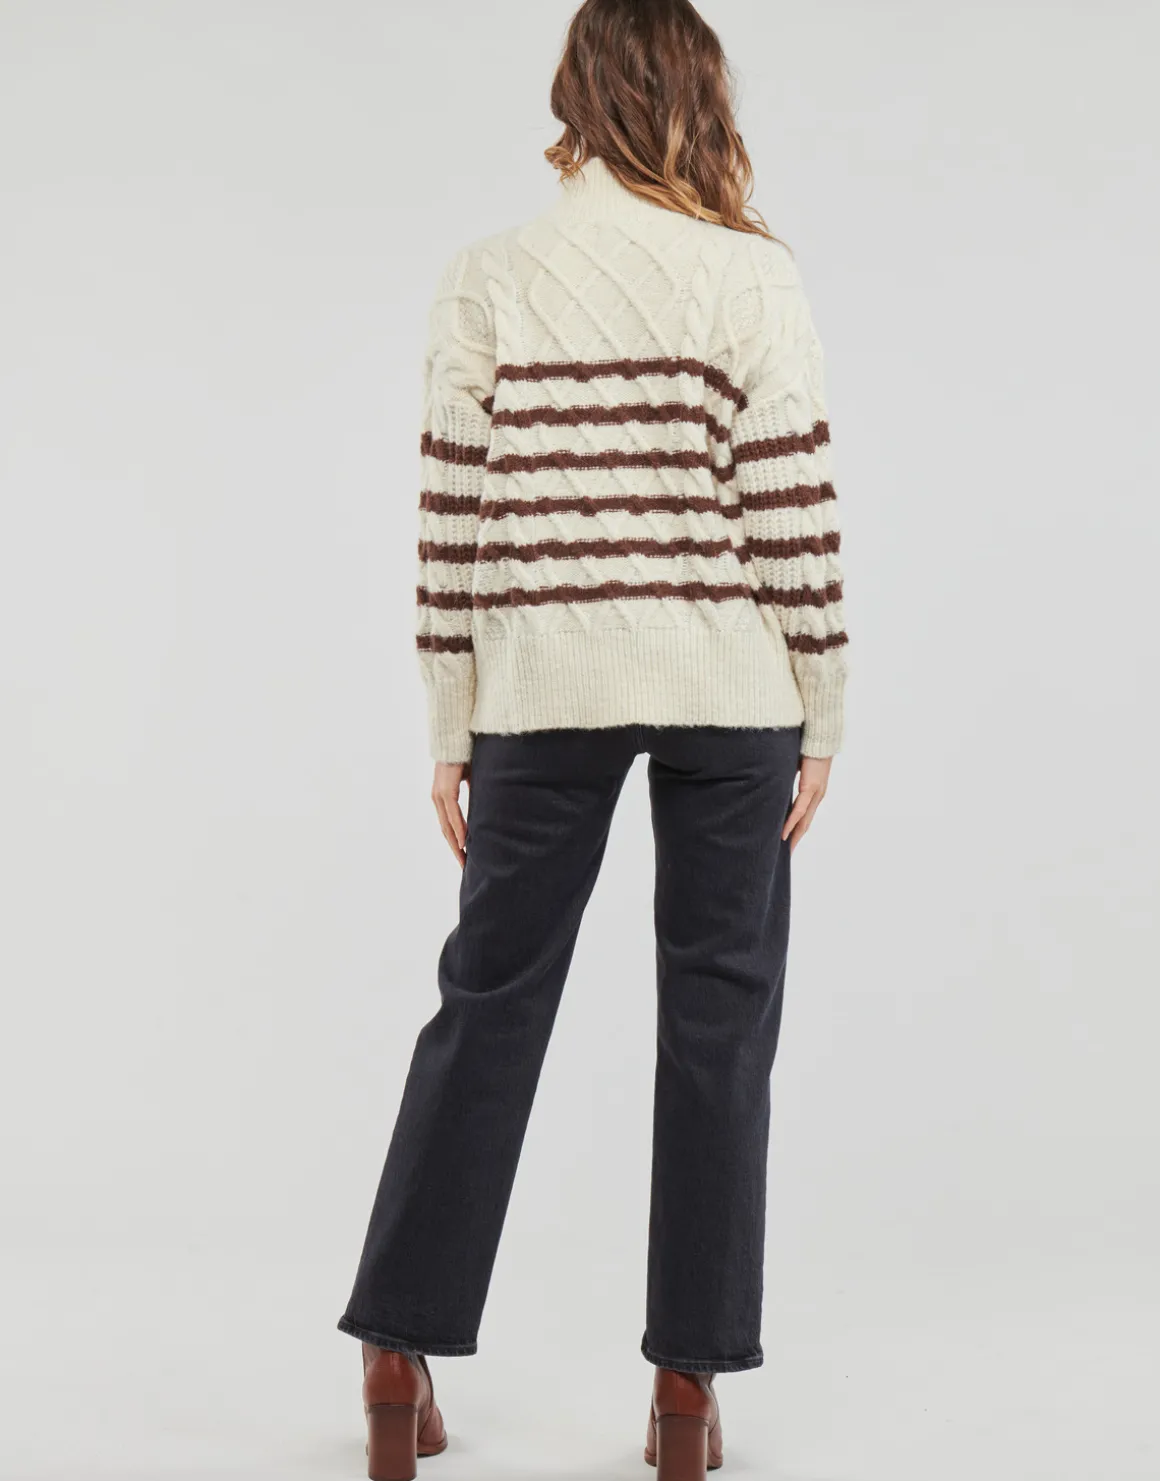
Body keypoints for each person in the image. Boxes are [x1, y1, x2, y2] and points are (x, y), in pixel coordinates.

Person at [338, 1, 849, 1476]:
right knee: (720, 1024)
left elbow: (450, 513)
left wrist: (451, 719)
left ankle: (396, 1352)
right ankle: (687, 1389)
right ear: (698, 96)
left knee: (487, 1002)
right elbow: (791, 500)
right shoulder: (750, 274)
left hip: (538, 685)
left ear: (573, 96)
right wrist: (824, 702)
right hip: (731, 686)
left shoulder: (488, 276)